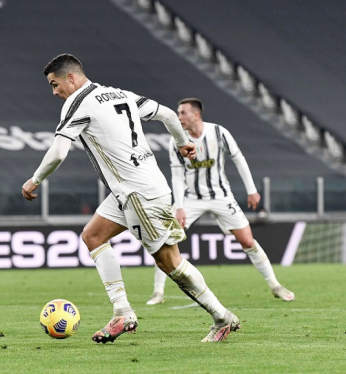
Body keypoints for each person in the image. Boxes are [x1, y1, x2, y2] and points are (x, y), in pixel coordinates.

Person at [22, 54, 239, 343]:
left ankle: (221, 317)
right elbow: (169, 116)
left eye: (54, 84)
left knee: (169, 263)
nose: (54, 92)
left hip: (138, 193)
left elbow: (59, 151)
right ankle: (122, 312)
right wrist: (182, 142)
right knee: (93, 236)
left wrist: (34, 180)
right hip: (133, 188)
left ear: (70, 78)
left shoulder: (77, 103)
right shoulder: (118, 94)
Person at [146, 98, 295, 305]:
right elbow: (177, 175)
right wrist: (179, 206)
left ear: (196, 115)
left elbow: (238, 158)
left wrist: (251, 190)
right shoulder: (176, 140)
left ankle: (275, 285)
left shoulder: (219, 133)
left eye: (183, 113)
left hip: (221, 196)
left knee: (248, 242)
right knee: (166, 239)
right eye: (178, 113)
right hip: (191, 198)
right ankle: (158, 292)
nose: (178, 117)